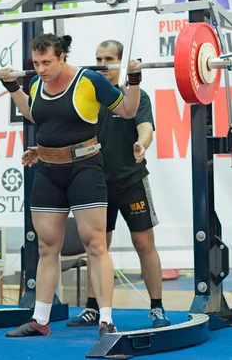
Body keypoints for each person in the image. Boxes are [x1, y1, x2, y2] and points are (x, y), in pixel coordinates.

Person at [1, 33, 142, 338]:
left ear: (62, 57)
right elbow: (32, 113)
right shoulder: (37, 85)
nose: (40, 69)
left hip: (84, 169)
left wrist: (134, 79)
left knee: (95, 244)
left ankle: (106, 319)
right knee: (47, 246)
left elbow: (128, 111)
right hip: (49, 171)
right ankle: (40, 319)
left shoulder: (89, 80)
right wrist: (13, 87)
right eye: (36, 63)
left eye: (47, 62)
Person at [64, 39, 170, 329]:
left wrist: (141, 143)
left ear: (122, 63)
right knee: (96, 245)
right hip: (96, 183)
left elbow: (146, 126)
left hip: (131, 180)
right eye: (98, 59)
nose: (102, 65)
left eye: (108, 59)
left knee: (143, 243)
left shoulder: (136, 96)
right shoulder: (89, 97)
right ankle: (92, 308)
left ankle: (157, 308)